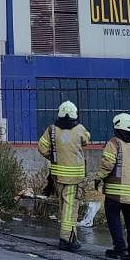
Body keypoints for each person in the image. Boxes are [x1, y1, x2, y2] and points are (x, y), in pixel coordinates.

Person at [94, 112, 130, 260]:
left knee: (114, 220)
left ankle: (119, 248)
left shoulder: (114, 143)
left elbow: (107, 164)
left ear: (117, 128)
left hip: (114, 193)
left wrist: (98, 178)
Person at [37, 100, 91, 250]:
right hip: (74, 178)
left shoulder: (51, 130)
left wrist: (53, 157)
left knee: (65, 207)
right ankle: (66, 239)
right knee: (70, 207)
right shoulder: (80, 129)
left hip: (57, 176)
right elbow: (86, 140)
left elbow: (42, 147)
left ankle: (71, 237)